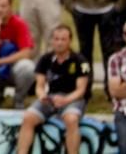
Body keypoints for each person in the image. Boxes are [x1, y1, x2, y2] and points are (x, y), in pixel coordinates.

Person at [16, 25, 91, 154]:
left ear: (70, 41)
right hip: (50, 97)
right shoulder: (45, 59)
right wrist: (42, 96)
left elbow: (81, 90)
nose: (59, 42)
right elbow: (39, 86)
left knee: (71, 119)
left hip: (72, 98)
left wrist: (65, 100)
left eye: (63, 39)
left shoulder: (80, 61)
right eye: (56, 39)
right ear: (51, 41)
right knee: (28, 117)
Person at [107, 20, 126, 150]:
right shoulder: (116, 59)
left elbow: (121, 89)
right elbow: (115, 92)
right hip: (123, 110)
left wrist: (125, 85)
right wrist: (121, 88)